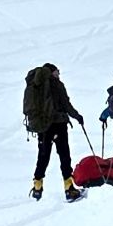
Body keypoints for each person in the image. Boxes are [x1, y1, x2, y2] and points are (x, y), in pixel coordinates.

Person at [23, 63, 86, 202]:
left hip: (43, 125)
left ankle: (37, 187)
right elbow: (66, 104)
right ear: (52, 72)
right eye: (57, 72)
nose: (59, 74)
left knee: (43, 155)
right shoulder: (56, 84)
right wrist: (77, 116)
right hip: (58, 124)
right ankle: (69, 189)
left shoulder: (36, 85)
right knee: (64, 155)